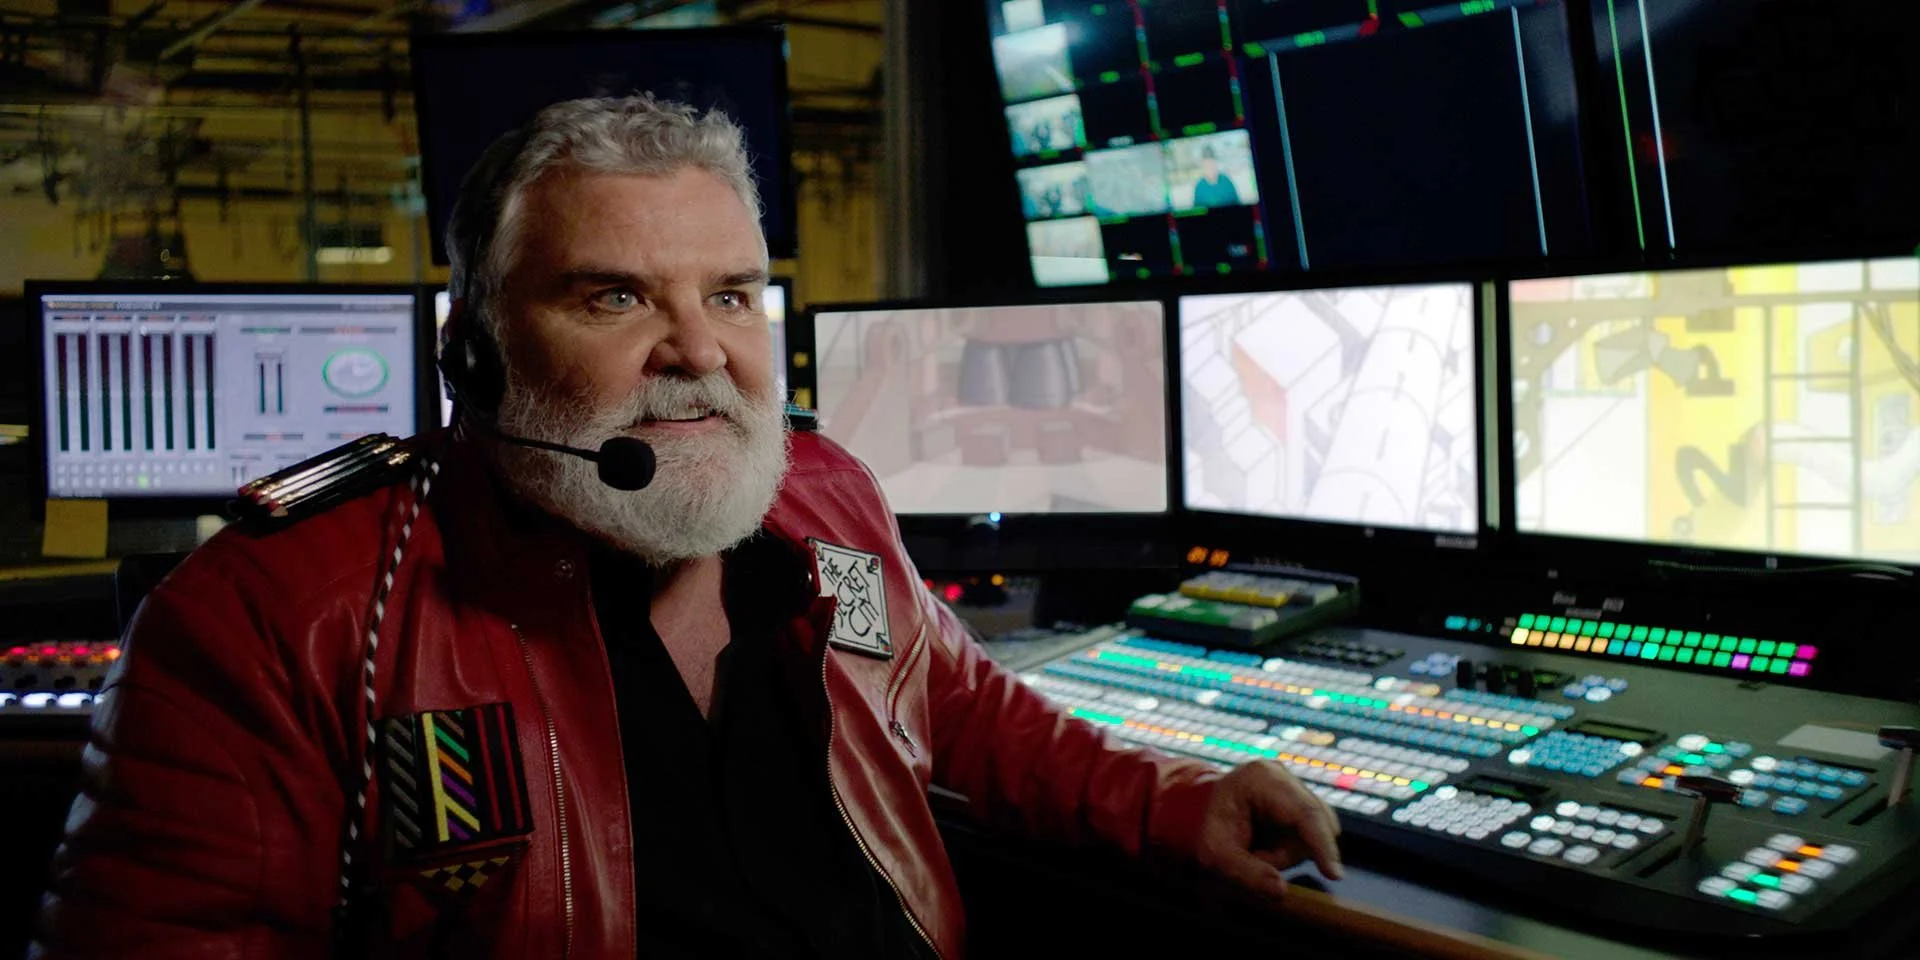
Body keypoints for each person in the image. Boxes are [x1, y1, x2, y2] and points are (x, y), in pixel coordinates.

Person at [32, 94, 1339, 959]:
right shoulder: (273, 617)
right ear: (476, 355)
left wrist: (1175, 805)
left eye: (732, 293)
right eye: (614, 298)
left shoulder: (829, 511)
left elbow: (958, 702)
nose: (700, 351)